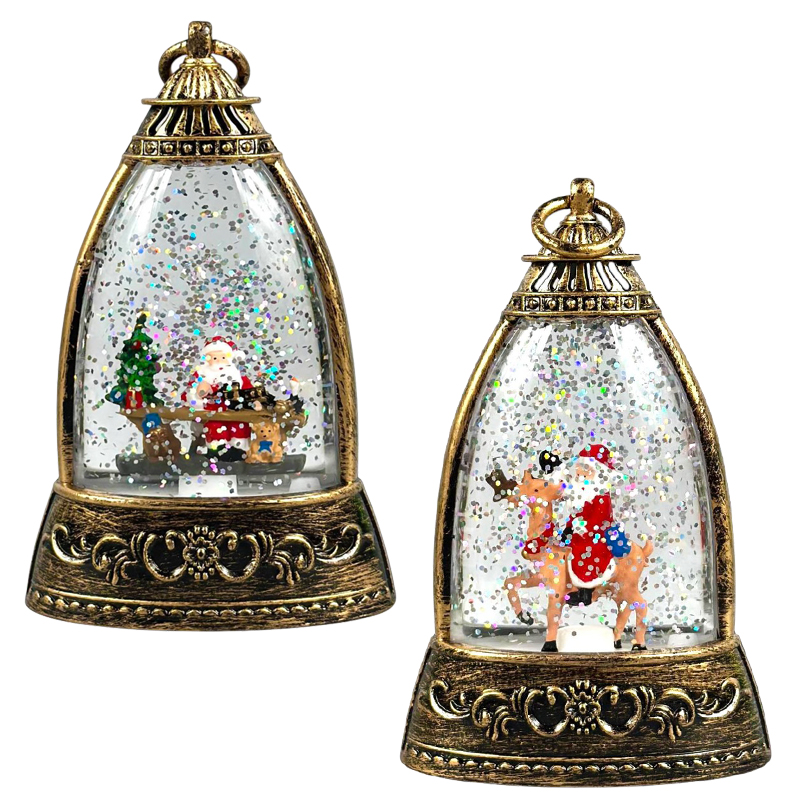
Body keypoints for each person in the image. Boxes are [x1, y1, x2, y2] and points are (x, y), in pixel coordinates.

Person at [183, 337, 257, 461]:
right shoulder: (201, 375)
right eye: (214, 358)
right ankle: (216, 452)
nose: (218, 361)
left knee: (240, 426)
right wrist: (198, 394)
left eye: (222, 357)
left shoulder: (237, 376)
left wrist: (254, 401)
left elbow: (249, 391)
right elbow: (189, 394)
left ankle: (238, 452)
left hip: (236, 412)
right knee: (215, 427)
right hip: (212, 412)